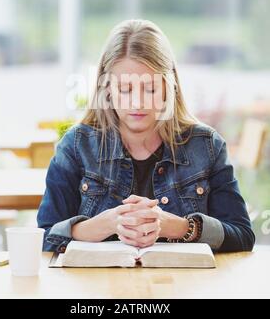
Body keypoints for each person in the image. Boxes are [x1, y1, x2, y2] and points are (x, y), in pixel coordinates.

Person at [37, 19, 255, 253]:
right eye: (125, 89)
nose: (137, 102)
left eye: (150, 89)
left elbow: (242, 235)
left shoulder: (206, 146)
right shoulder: (77, 146)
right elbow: (43, 237)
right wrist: (101, 226)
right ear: (107, 89)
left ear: (168, 88)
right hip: (98, 289)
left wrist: (180, 227)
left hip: (183, 288)